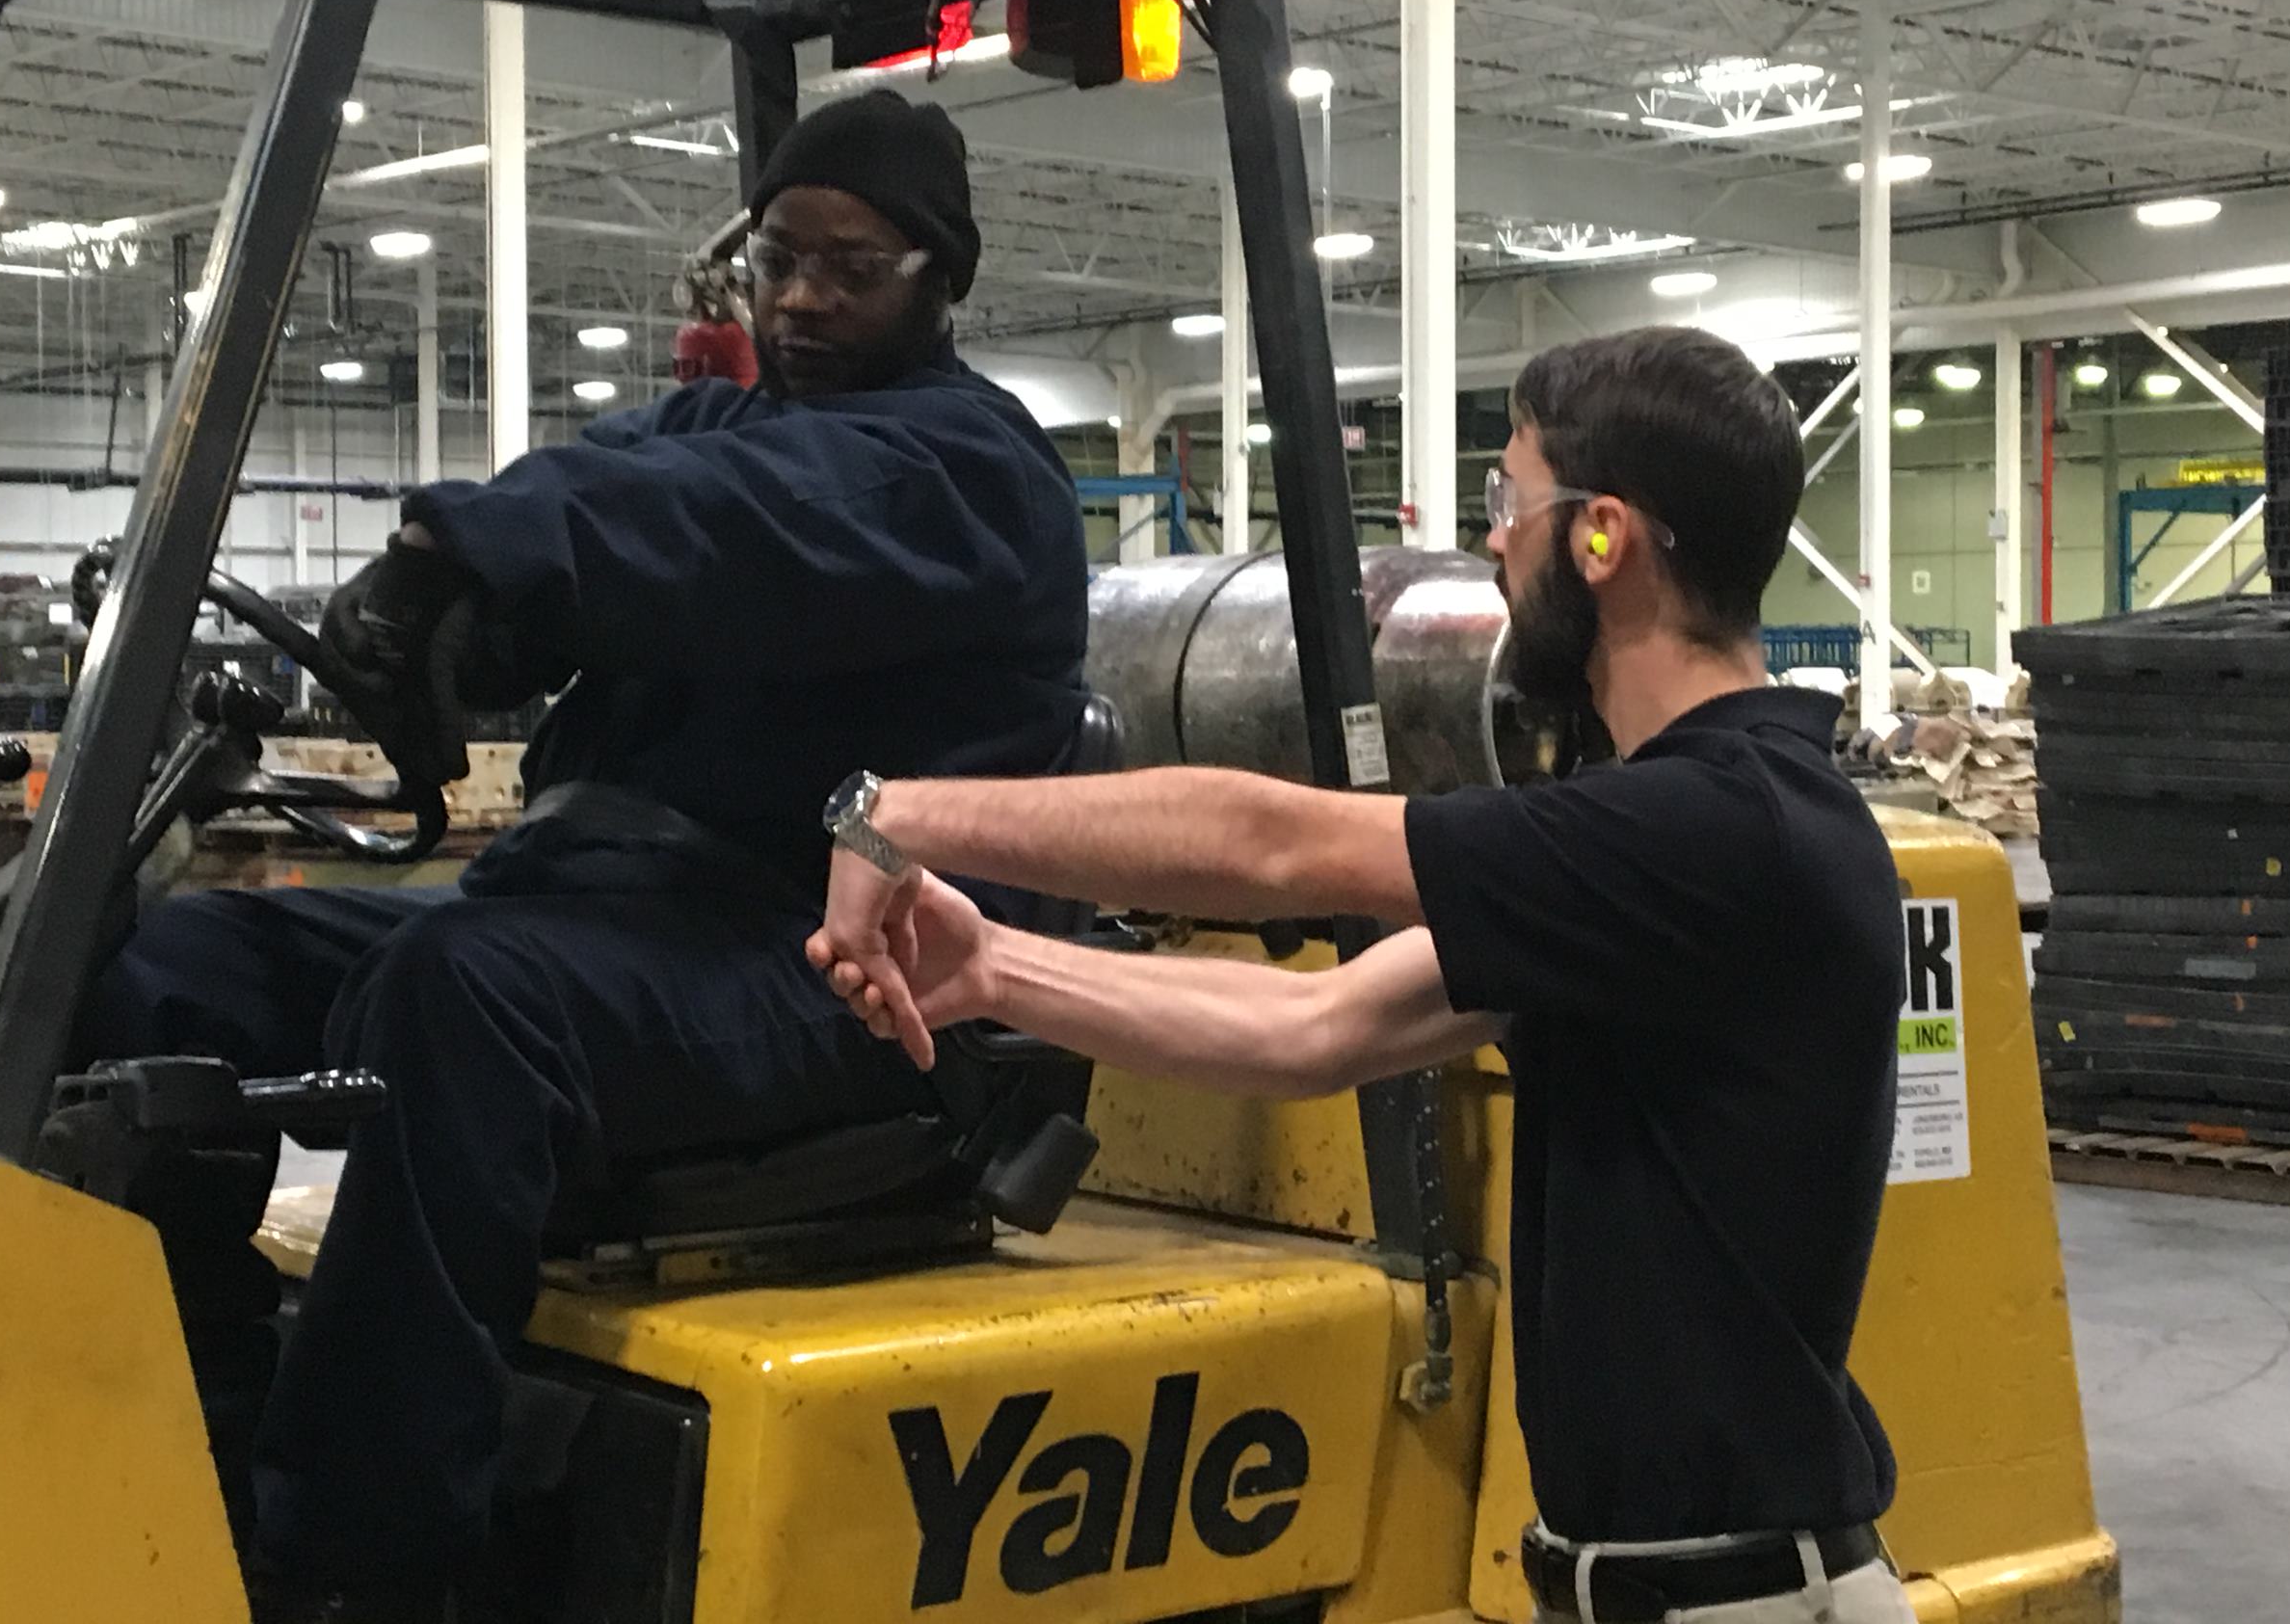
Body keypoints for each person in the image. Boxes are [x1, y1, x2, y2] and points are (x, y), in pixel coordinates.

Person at [85, 90, 1091, 1624]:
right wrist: (459, 627)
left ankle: (360, 1563)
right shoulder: (719, 427)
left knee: (463, 997)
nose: (805, 299)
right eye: (779, 259)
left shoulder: (969, 472)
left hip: (839, 968)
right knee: (165, 963)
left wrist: (472, 547)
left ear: (941, 280)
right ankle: (174, 1424)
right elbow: (634, 504)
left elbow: (722, 527)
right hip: (608, 912)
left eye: (854, 266)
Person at [808, 326, 1917, 1624]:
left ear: (1603, 537)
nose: (1495, 540)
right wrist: (996, 967)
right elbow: (1315, 1026)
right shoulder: (1659, 842)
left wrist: (898, 815)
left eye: (1512, 500)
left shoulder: (1720, 828)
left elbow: (1274, 846)